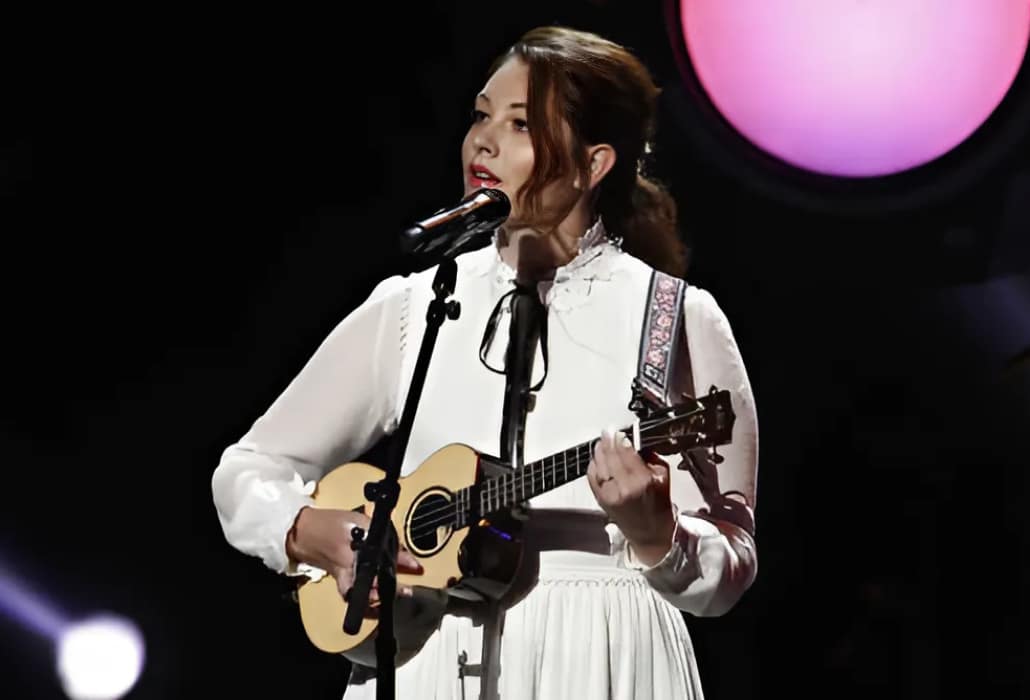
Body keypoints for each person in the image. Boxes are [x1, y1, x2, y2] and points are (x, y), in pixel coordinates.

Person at [212, 25, 759, 699]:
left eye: (522, 123)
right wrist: (310, 530)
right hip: (427, 653)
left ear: (595, 165)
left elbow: (731, 566)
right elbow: (248, 469)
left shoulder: (674, 318)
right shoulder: (418, 303)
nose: (485, 140)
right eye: (480, 115)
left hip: (605, 658)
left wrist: (659, 534)